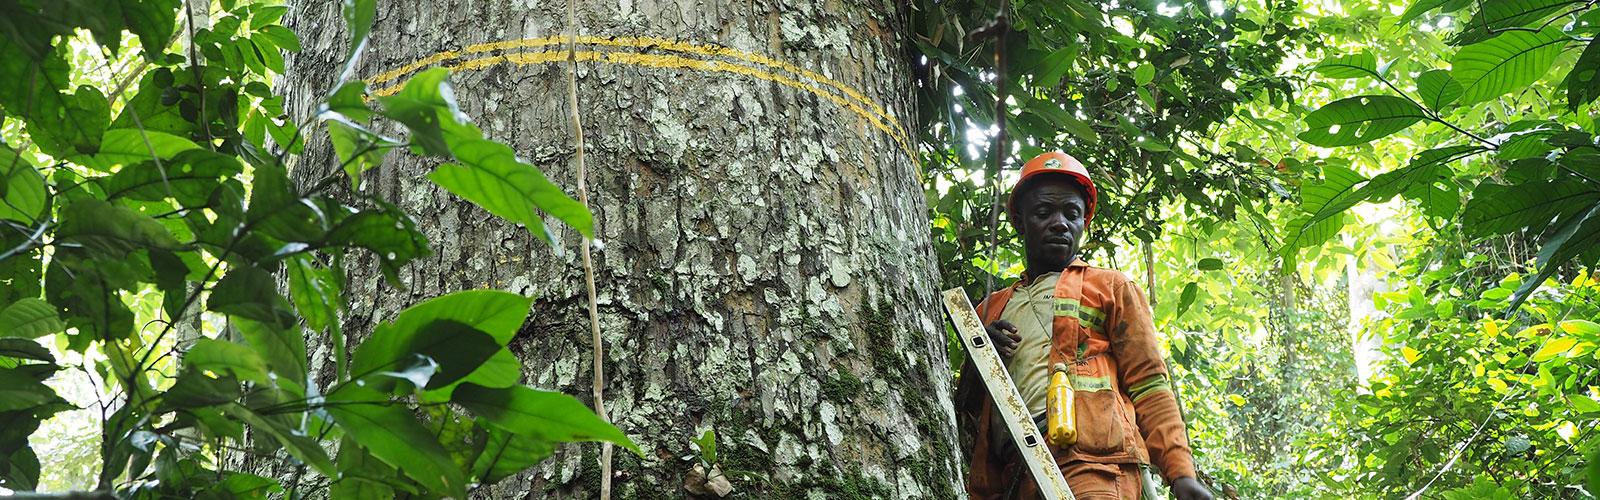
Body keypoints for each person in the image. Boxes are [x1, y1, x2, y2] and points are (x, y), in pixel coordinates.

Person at [955, 152, 1213, 500]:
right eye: (1044, 212)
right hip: (1014, 478)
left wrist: (1180, 472)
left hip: (1093, 468)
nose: (1060, 223)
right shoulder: (991, 309)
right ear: (1019, 222)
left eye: (1072, 214)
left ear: (1083, 223)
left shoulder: (1111, 287)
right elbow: (967, 413)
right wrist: (980, 355)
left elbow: (1149, 383)